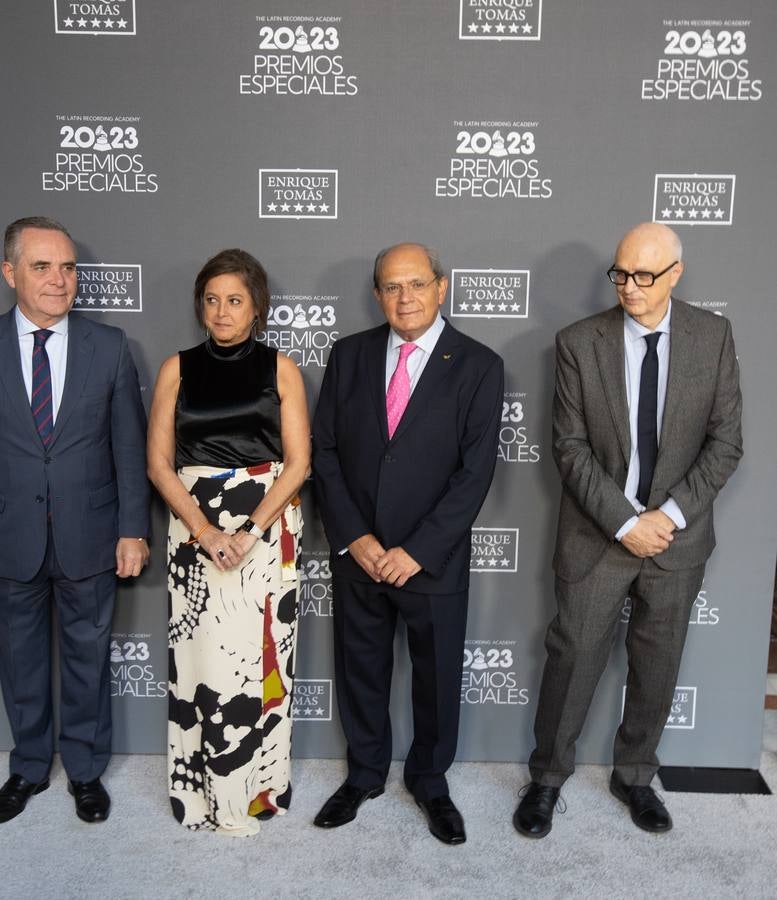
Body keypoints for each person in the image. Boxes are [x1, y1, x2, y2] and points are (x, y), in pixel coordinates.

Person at [513, 222, 742, 838]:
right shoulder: (577, 343)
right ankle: (547, 780)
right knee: (573, 656)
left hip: (677, 538)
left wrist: (663, 520)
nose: (629, 287)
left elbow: (725, 444)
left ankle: (635, 775)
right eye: (620, 274)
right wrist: (623, 522)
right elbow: (569, 447)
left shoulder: (712, 336)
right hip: (596, 535)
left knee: (658, 662)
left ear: (675, 274)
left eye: (644, 276)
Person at [0, 216, 151, 824]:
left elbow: (128, 450)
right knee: (21, 659)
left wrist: (133, 529)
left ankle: (85, 772)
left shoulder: (108, 346)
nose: (59, 280)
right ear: (10, 273)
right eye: (41, 266)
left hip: (91, 533)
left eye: (67, 267)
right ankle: (29, 767)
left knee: (88, 658)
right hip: (7, 536)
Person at [311, 242, 504, 844]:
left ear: (441, 286)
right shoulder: (348, 356)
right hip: (361, 554)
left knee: (437, 678)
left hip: (431, 559)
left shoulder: (478, 364)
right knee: (361, 670)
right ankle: (365, 774)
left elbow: (475, 473)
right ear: (377, 295)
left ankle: (429, 781)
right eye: (392, 287)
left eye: (417, 284)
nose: (406, 298)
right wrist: (355, 537)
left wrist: (417, 550)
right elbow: (326, 453)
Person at [147, 248, 310, 837]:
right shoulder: (177, 368)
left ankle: (257, 789)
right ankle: (200, 793)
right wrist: (205, 530)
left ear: (257, 307)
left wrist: (248, 531)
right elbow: (160, 464)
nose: (221, 311)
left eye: (234, 300)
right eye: (212, 300)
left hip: (265, 531)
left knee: (261, 658)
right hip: (193, 530)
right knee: (201, 662)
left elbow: (298, 465)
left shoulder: (281, 369)